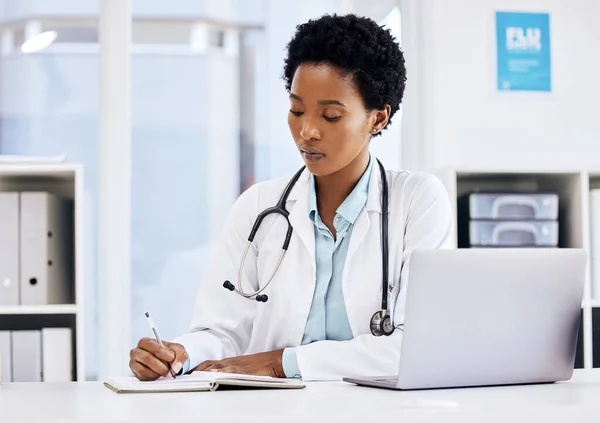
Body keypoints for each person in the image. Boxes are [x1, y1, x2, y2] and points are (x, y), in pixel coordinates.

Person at [129, 13, 451, 382]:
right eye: (297, 110)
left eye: (330, 116)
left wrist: (281, 362)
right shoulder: (257, 207)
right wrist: (181, 354)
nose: (307, 131)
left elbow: (417, 347)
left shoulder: (417, 202)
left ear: (377, 119)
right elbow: (222, 333)